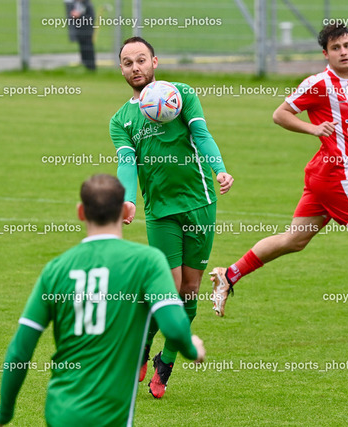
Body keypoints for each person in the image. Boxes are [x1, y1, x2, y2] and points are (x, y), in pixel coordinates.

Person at [209, 23, 348, 332]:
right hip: (337, 174)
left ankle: (229, 274)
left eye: (347, 45)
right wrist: (312, 128)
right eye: (336, 48)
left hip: (324, 175)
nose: (343, 51)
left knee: (294, 240)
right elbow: (280, 114)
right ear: (325, 53)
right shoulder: (318, 84)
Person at [0, 174, 205, 427]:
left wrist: (3, 415)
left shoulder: (56, 269)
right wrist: (191, 348)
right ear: (123, 210)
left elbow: (19, 350)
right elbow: (175, 327)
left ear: (80, 212)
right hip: (111, 417)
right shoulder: (147, 262)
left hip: (59, 413)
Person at [109, 36, 233, 398]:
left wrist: (219, 170)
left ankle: (167, 359)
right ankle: (143, 348)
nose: (136, 67)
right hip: (161, 211)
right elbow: (126, 162)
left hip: (200, 203)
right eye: (128, 62)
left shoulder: (181, 95)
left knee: (190, 289)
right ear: (121, 69)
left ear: (155, 62)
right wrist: (128, 200)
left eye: (141, 60)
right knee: (168, 288)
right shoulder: (121, 119)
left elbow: (202, 134)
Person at [64, 0, 96, 70]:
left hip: (87, 31)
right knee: (83, 50)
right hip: (80, 32)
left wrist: (80, 16)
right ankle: (85, 65)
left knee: (88, 50)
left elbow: (91, 17)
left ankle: (91, 67)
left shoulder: (87, 4)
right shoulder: (76, 4)